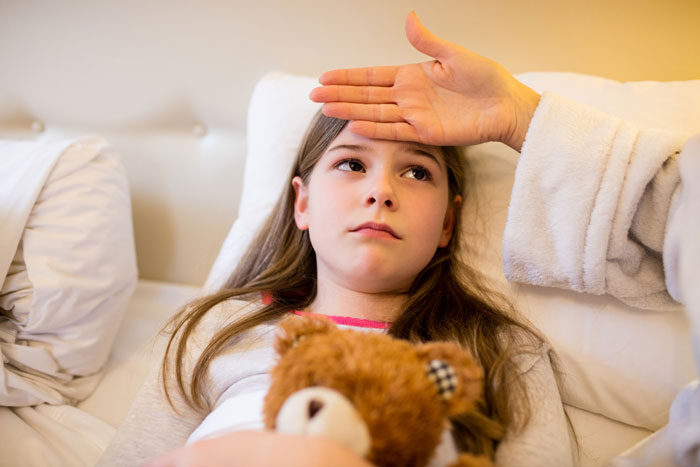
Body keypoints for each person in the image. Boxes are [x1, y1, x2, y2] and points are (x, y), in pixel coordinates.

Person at [102, 10, 696, 467]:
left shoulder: (498, 353)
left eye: (416, 172)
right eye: (351, 165)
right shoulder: (212, 331)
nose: (381, 191)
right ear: (301, 204)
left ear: (447, 224)